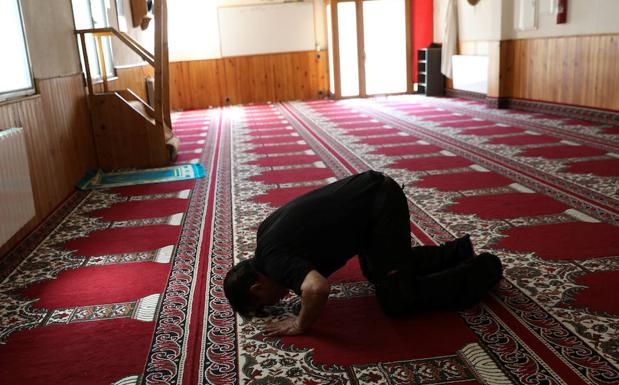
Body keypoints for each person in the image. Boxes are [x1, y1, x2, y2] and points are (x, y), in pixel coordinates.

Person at [224, 170, 503, 336]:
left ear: (257, 286)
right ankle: (458, 251)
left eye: (262, 303)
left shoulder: (274, 262)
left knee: (396, 297)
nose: (275, 303)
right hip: (370, 198)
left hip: (379, 205)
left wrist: (299, 324)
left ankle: (484, 269)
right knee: (378, 271)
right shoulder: (265, 241)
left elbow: (317, 288)